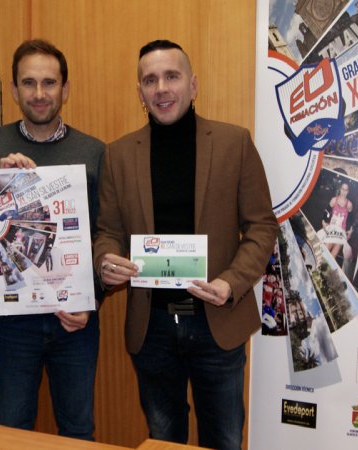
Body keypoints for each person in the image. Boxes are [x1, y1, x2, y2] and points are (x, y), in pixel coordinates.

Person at [93, 40, 278, 449]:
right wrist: (105, 259)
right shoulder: (118, 155)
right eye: (150, 80)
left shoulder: (234, 143)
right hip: (152, 326)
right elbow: (108, 231)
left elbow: (262, 226)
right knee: (163, 439)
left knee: (224, 439)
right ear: (140, 92)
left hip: (217, 321)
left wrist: (231, 282)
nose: (161, 88)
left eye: (171, 76)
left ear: (193, 85)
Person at [0, 39, 104, 440]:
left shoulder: (93, 151)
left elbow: (105, 234)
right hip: (12, 319)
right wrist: (2, 186)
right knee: (14, 428)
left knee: (77, 428)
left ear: (65, 88)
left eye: (49, 82)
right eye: (28, 83)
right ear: (13, 90)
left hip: (74, 319)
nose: (39, 93)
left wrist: (91, 300)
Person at [321, 182, 353, 259]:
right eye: (342, 189)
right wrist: (323, 222)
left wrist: (350, 231)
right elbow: (326, 212)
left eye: (346, 190)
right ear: (340, 189)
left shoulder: (349, 204)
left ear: (348, 191)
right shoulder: (334, 200)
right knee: (325, 251)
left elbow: (351, 220)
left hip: (341, 232)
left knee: (333, 255)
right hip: (331, 230)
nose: (344, 191)